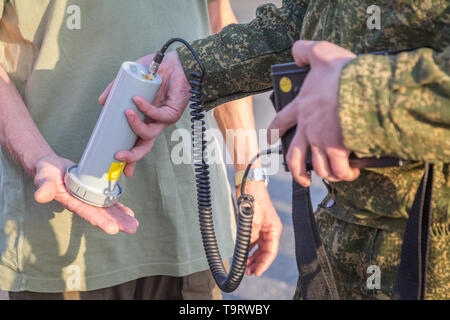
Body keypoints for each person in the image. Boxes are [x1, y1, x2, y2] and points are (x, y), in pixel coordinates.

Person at [105, 0, 450, 299]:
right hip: (342, 237)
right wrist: (192, 68)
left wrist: (364, 96)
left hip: (431, 250)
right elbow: (302, 24)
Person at [0, 0, 282, 300]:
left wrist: (250, 176)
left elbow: (219, 21)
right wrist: (38, 159)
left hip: (193, 228)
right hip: (62, 228)